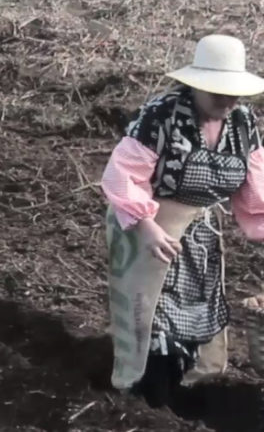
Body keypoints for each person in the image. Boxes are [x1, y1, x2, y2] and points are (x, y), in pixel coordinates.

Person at [101, 34, 264, 408]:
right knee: (153, 316)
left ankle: (180, 397)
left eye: (232, 94)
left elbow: (254, 189)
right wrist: (146, 226)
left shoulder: (241, 123)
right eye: (217, 94)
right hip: (148, 226)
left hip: (200, 233)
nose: (227, 102)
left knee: (196, 315)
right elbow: (123, 175)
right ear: (195, 86)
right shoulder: (162, 115)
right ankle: (148, 401)